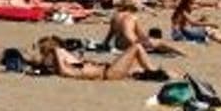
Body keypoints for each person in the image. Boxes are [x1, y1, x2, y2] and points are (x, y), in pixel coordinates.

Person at [36, 36, 165, 81]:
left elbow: (66, 57)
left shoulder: (70, 63)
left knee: (137, 64)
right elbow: (64, 71)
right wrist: (56, 51)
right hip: (108, 73)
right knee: (136, 47)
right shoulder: (66, 68)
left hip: (109, 69)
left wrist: (57, 50)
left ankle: (154, 72)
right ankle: (154, 73)